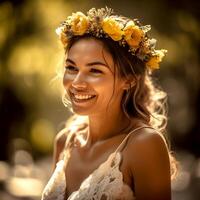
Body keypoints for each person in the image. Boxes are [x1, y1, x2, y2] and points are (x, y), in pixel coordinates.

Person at [41, 7, 177, 200]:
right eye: (71, 68)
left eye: (95, 71)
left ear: (129, 79)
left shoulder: (145, 144)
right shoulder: (64, 142)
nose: (77, 82)